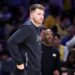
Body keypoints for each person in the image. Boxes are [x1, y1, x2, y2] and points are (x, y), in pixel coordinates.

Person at [7, 4, 45, 75]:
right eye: (39, 14)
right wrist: (19, 62)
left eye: (42, 14)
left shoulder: (37, 29)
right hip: (27, 71)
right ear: (31, 15)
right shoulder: (28, 27)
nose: (41, 17)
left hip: (35, 70)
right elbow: (11, 42)